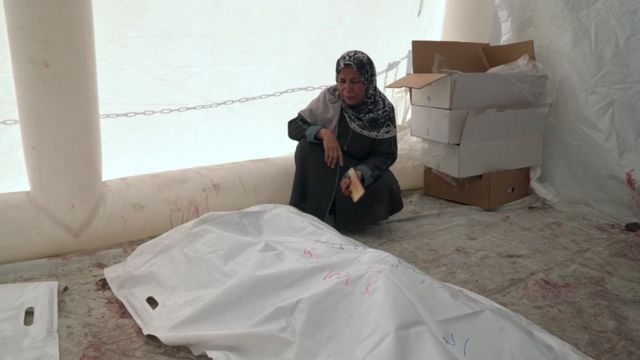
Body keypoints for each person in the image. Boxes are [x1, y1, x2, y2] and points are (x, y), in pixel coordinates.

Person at [288, 50, 403, 230]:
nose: (347, 89)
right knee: (306, 148)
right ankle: (312, 209)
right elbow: (294, 127)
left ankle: (349, 216)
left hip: (359, 175)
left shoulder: (382, 111)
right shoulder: (331, 99)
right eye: (342, 81)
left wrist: (360, 172)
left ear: (367, 81)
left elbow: (386, 155)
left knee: (373, 189)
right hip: (334, 166)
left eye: (355, 81)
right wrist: (324, 133)